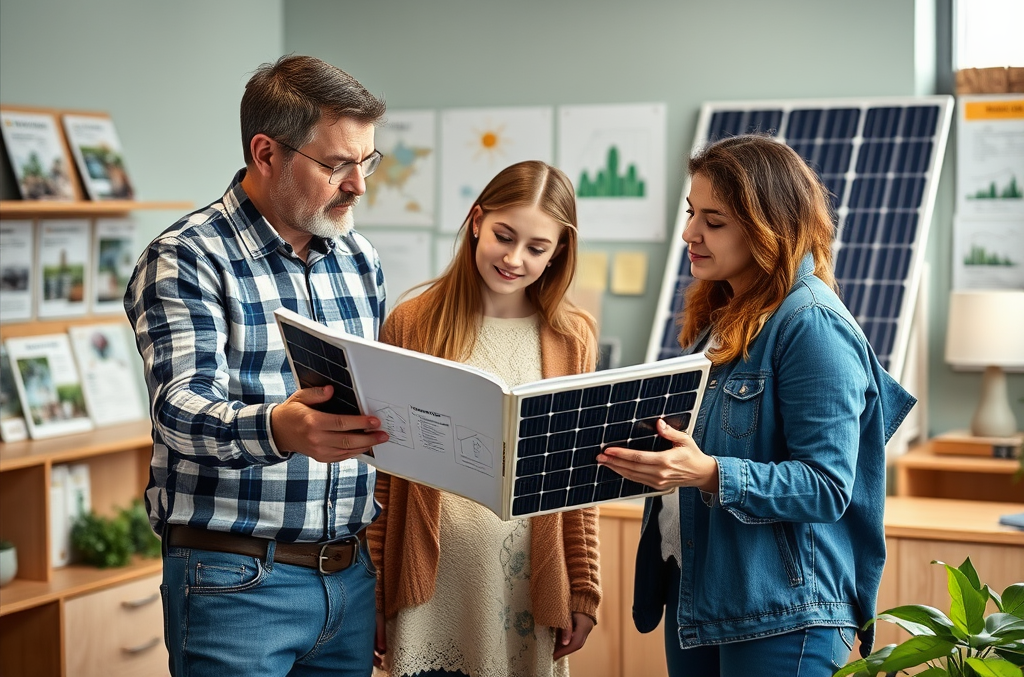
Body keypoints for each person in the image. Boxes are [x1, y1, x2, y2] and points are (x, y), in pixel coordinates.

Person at [597, 134, 916, 677]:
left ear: (768, 226)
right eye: (692, 212)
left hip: (784, 613)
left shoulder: (811, 324)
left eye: (714, 221)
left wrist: (710, 474)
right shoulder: (726, 316)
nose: (690, 234)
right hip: (702, 592)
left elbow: (826, 484)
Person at [124, 54, 392, 677]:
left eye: (367, 162)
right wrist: (278, 429)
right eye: (336, 165)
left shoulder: (360, 259)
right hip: (235, 581)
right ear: (266, 153)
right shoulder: (186, 258)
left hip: (349, 579)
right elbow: (179, 412)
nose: (358, 185)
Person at [367, 160, 602, 677]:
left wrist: (583, 587)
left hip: (525, 582)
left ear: (559, 250)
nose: (515, 258)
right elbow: (384, 475)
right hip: (431, 585)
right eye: (503, 235)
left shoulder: (572, 337)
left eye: (537, 248)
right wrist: (377, 587)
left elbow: (577, 476)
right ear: (476, 220)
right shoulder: (413, 323)